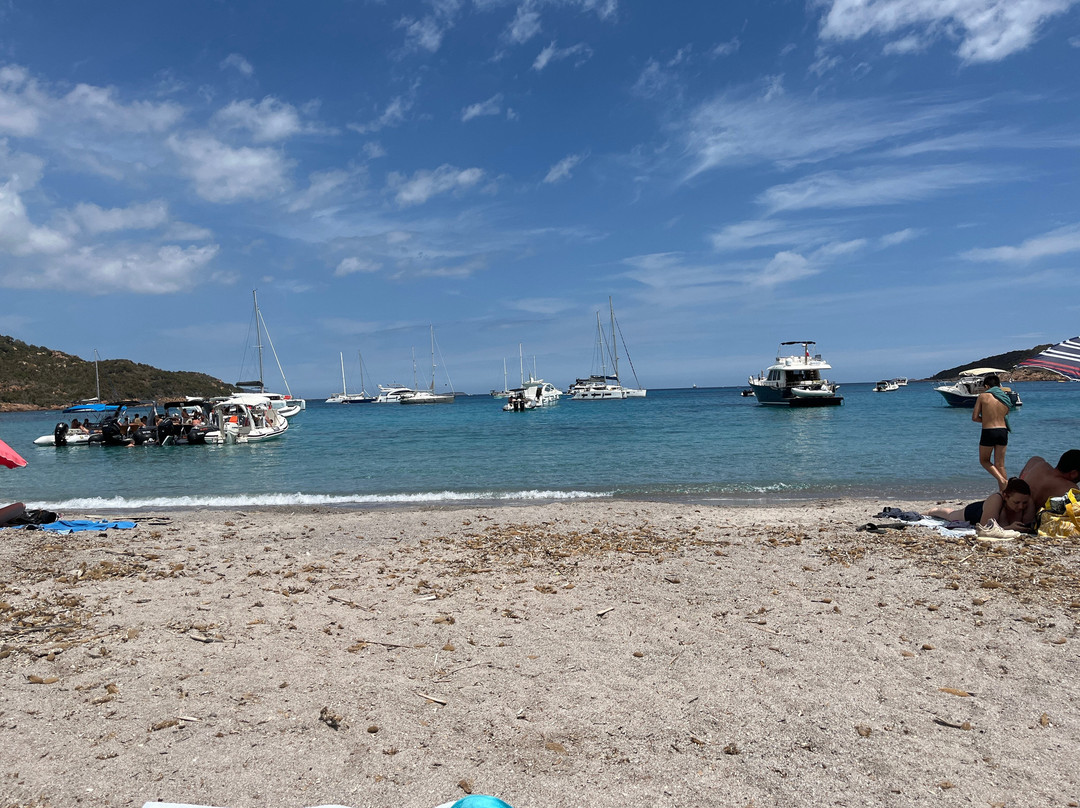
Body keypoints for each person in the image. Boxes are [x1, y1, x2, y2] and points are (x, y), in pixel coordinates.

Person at [928, 477, 1033, 532]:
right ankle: (931, 511)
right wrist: (1010, 528)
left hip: (991, 511)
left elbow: (1029, 524)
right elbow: (984, 528)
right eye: (1016, 502)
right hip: (975, 512)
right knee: (950, 515)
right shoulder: (997, 499)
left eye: (1024, 503)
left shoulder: (1028, 502)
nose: (1021, 506)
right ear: (1006, 496)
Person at [972, 373, 1013, 490]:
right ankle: (1006, 493)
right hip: (1003, 431)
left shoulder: (983, 396)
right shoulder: (1005, 398)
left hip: (988, 431)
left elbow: (975, 417)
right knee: (1000, 465)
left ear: (986, 386)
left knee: (984, 460)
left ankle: (1002, 481)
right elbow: (1006, 415)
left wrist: (986, 420)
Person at [1019, 450, 1080, 521]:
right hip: (1031, 522)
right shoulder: (1070, 489)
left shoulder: (1036, 462)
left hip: (1012, 512)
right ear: (1074, 474)